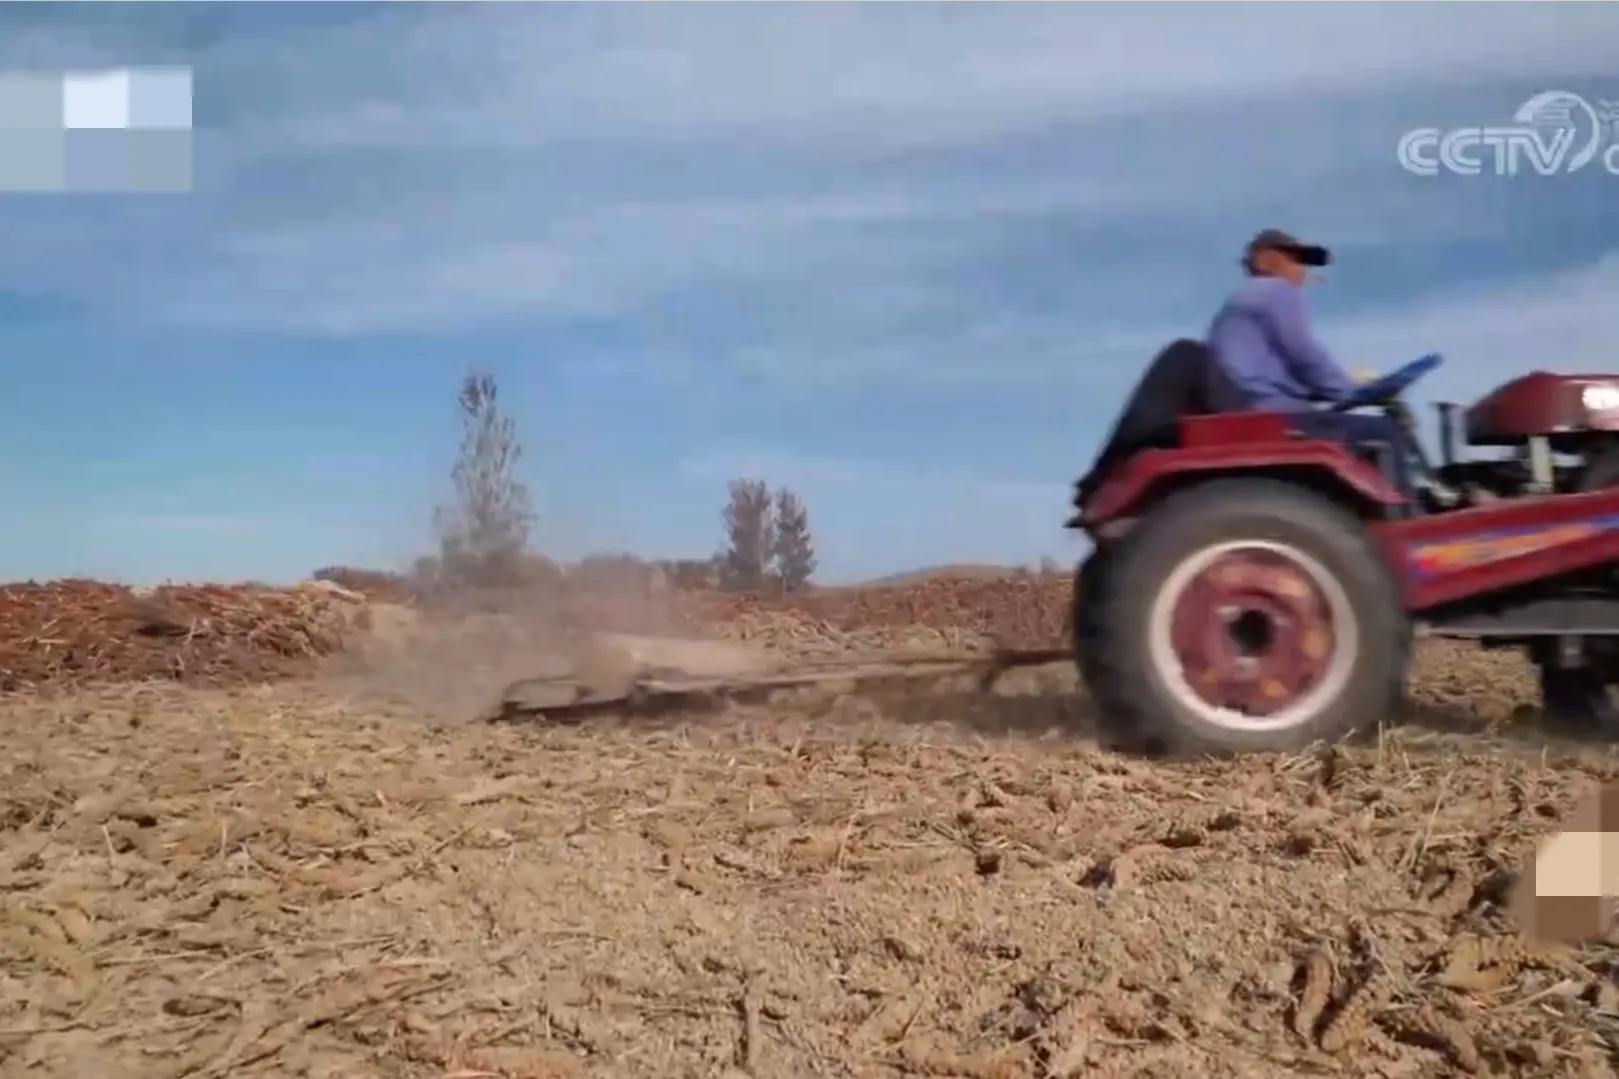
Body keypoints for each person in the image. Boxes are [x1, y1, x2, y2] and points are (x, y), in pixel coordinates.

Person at [1206, 228, 1448, 507]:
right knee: (1387, 432)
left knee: (1343, 424)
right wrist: (1349, 391)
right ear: (1267, 260)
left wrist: (1335, 391)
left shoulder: (1238, 303)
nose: (1303, 272)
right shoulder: (1275, 291)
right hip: (1274, 417)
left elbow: (1285, 373)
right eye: (1296, 261)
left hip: (1255, 411)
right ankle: (1408, 520)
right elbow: (1305, 353)